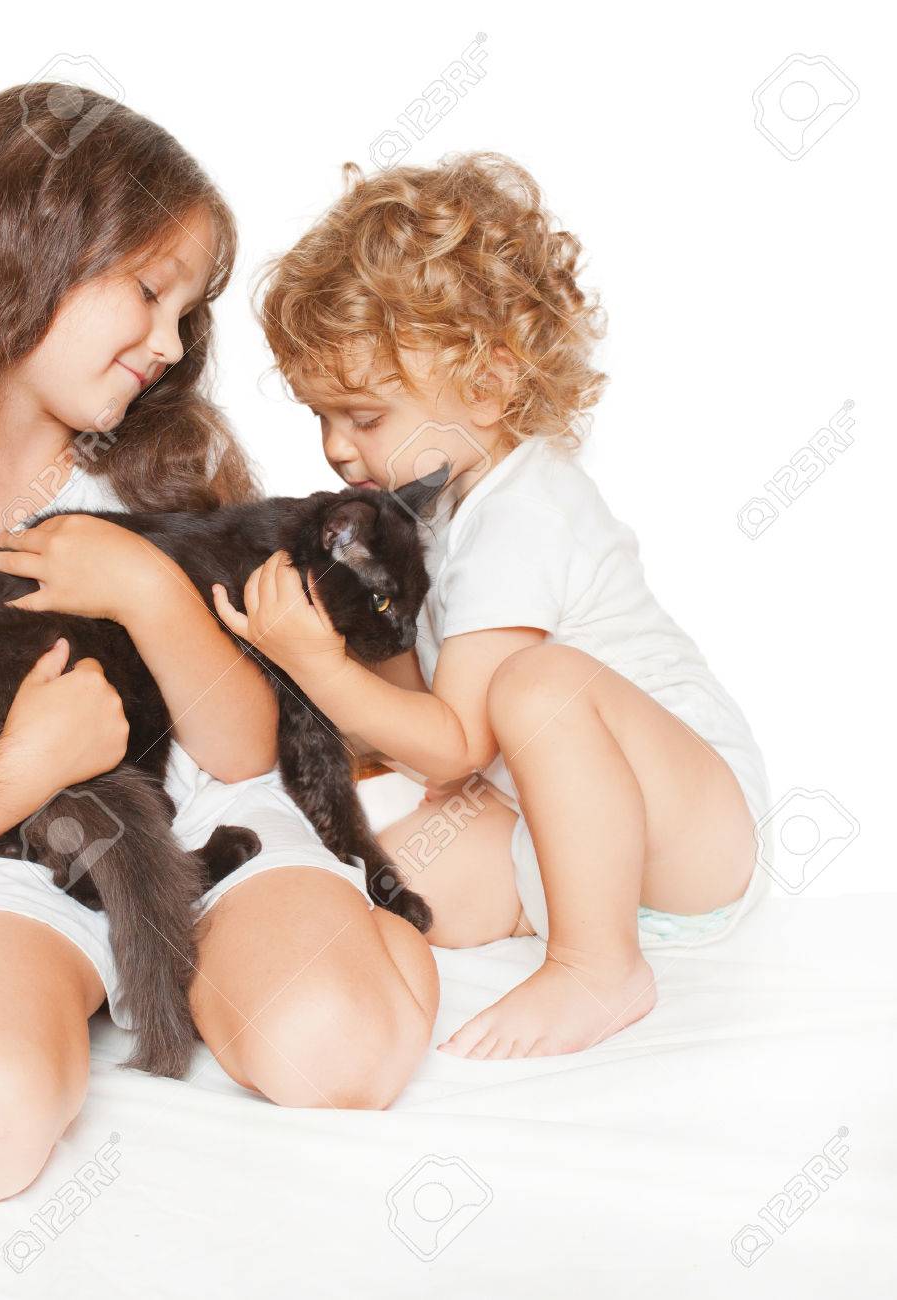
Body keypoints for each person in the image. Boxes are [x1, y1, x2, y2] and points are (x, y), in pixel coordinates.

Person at [0, 85, 438, 1208]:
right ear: (17, 255)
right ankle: (61, 986)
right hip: (4, 857)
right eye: (148, 292)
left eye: (186, 312)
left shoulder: (168, 472)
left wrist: (151, 591)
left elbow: (243, 752)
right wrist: (29, 767)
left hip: (211, 823)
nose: (170, 342)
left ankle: (345, 938)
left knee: (334, 1051)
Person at [221, 151, 771, 1061]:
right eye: (321, 417)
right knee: (385, 876)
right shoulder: (430, 514)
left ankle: (597, 965)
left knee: (536, 685)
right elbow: (426, 742)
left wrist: (312, 661)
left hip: (690, 830)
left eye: (364, 417)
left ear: (488, 387)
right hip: (563, 836)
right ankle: (540, 918)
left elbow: (455, 746)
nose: (336, 449)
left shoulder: (527, 511)